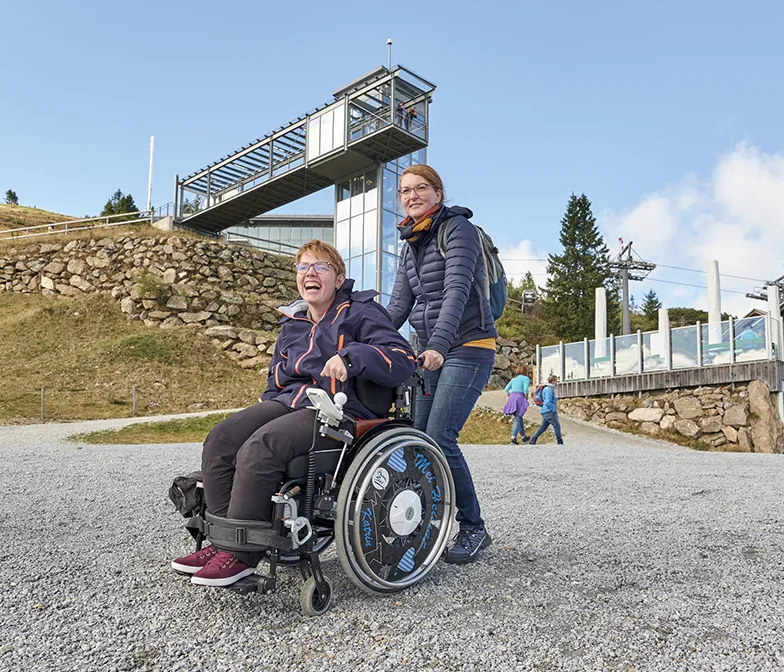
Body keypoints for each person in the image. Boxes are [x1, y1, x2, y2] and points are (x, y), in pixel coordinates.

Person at [171, 240, 417, 587]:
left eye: (320, 267)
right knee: (222, 438)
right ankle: (222, 543)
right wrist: (264, 408)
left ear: (339, 277)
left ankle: (242, 555)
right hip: (289, 401)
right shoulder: (293, 322)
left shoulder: (360, 311)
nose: (310, 274)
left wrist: (352, 357)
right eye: (303, 268)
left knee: (261, 447)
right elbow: (276, 378)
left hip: (340, 410)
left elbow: (401, 357)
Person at [386, 164, 497, 565]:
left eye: (420, 188)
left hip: (468, 346)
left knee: (440, 437)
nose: (411, 195)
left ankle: (473, 528)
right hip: (432, 349)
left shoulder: (458, 230)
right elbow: (400, 304)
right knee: (416, 438)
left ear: (437, 193)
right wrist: (363, 341)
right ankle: (423, 522)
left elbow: (456, 291)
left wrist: (437, 344)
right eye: (404, 191)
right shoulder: (410, 242)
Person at [530, 375, 563, 445]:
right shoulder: (549, 389)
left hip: (545, 411)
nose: (557, 382)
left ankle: (533, 439)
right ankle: (559, 442)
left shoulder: (545, 388)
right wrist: (554, 409)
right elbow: (548, 402)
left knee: (543, 427)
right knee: (556, 426)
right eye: (556, 381)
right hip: (549, 411)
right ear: (553, 381)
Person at [504, 364, 531, 445]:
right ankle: (513, 438)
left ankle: (524, 438)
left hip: (512, 398)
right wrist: (526, 398)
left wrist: (510, 396)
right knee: (518, 418)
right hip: (520, 397)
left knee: (519, 418)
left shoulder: (513, 379)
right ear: (525, 371)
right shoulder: (526, 378)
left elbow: (506, 389)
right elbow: (525, 389)